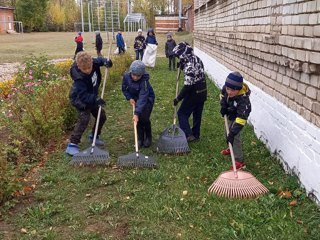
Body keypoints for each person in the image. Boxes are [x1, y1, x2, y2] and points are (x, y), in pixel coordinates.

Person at [66, 52, 113, 156]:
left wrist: (106, 62)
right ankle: (72, 145)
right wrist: (96, 99)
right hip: (79, 99)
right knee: (84, 118)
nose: (87, 71)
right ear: (78, 66)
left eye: (89, 68)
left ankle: (94, 136)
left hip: (91, 95)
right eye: (84, 69)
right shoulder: (78, 77)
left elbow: (100, 60)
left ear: (91, 62)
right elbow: (83, 96)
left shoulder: (93, 62)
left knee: (101, 116)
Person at [172, 42, 207, 142]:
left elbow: (188, 86)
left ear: (183, 54)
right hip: (203, 90)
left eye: (179, 56)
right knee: (197, 114)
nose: (179, 58)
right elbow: (197, 71)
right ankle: (196, 134)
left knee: (182, 113)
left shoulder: (189, 66)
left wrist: (178, 98)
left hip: (194, 92)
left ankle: (188, 134)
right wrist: (182, 64)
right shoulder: (196, 58)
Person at [220, 72, 251, 170]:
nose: (229, 92)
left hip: (239, 118)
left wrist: (233, 133)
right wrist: (224, 106)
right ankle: (231, 148)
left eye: (233, 90)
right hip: (231, 114)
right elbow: (223, 96)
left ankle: (239, 161)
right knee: (227, 132)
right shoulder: (226, 88)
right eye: (228, 89)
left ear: (238, 89)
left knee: (234, 136)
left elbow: (241, 119)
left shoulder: (244, 101)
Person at [121, 60, 155, 148]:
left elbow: (143, 97)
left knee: (145, 117)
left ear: (142, 74)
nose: (135, 77)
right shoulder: (126, 77)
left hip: (147, 99)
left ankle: (148, 136)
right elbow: (124, 89)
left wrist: (136, 113)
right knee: (138, 120)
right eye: (134, 75)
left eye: (138, 76)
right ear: (130, 72)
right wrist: (129, 98)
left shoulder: (144, 82)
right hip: (135, 98)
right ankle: (140, 138)